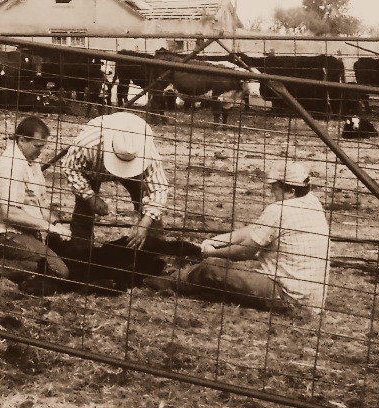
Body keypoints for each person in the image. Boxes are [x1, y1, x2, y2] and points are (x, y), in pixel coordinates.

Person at [145, 161, 331, 314]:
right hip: (310, 297)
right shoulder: (312, 202)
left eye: (275, 188)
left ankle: (169, 282)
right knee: (223, 270)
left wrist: (210, 253)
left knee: (212, 268)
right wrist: (218, 241)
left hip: (286, 295)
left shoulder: (280, 209)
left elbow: (246, 251)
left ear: (290, 190)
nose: (271, 193)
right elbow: (256, 229)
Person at [0, 116, 72, 289]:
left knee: (67, 260)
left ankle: (28, 268)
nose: (41, 151)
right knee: (58, 271)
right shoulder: (11, 165)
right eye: (37, 146)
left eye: (43, 146)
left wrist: (56, 224)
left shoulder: (31, 162)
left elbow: (39, 204)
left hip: (27, 233)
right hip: (4, 234)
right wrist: (48, 227)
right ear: (21, 140)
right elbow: (9, 213)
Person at [61, 111, 169, 254]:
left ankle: (154, 250)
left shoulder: (145, 149)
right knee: (84, 209)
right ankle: (80, 252)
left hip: (136, 173)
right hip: (92, 170)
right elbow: (70, 168)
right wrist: (89, 196)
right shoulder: (88, 143)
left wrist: (145, 223)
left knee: (148, 210)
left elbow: (159, 188)